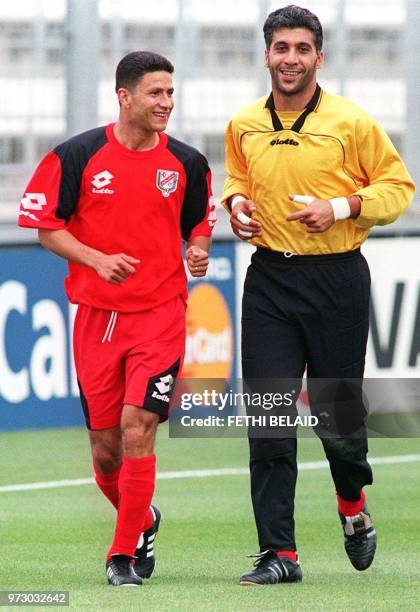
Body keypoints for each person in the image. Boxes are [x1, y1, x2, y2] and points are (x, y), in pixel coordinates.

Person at [222, 5, 415, 586]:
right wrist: (235, 206)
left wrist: (339, 206)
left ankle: (352, 503)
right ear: (266, 55)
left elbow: (398, 187)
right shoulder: (242, 124)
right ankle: (280, 553)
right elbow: (237, 178)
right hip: (269, 283)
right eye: (281, 48)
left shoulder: (351, 122)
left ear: (319, 58)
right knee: (270, 420)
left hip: (337, 281)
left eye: (302, 49)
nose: (290, 59)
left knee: (338, 422)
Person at [18, 51, 215, 586]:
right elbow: (44, 225)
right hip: (98, 321)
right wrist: (97, 259)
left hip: (161, 315)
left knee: (138, 427)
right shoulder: (76, 155)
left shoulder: (187, 162)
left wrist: (197, 250)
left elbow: (198, 221)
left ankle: (122, 555)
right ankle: (142, 516)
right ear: (124, 96)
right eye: (156, 93)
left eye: (170, 93)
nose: (166, 103)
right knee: (106, 453)